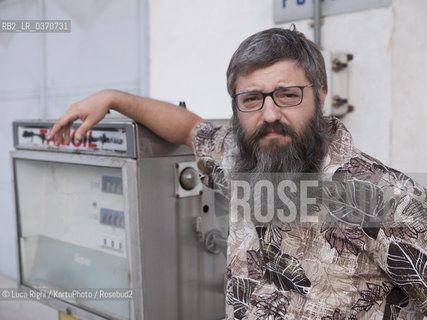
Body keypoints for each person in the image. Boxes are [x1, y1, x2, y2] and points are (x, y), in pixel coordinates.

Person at [49, 27, 427, 320]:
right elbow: (188, 129)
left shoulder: (388, 199)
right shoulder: (240, 159)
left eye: (288, 94)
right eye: (252, 99)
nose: (269, 114)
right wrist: (114, 98)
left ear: (321, 95)